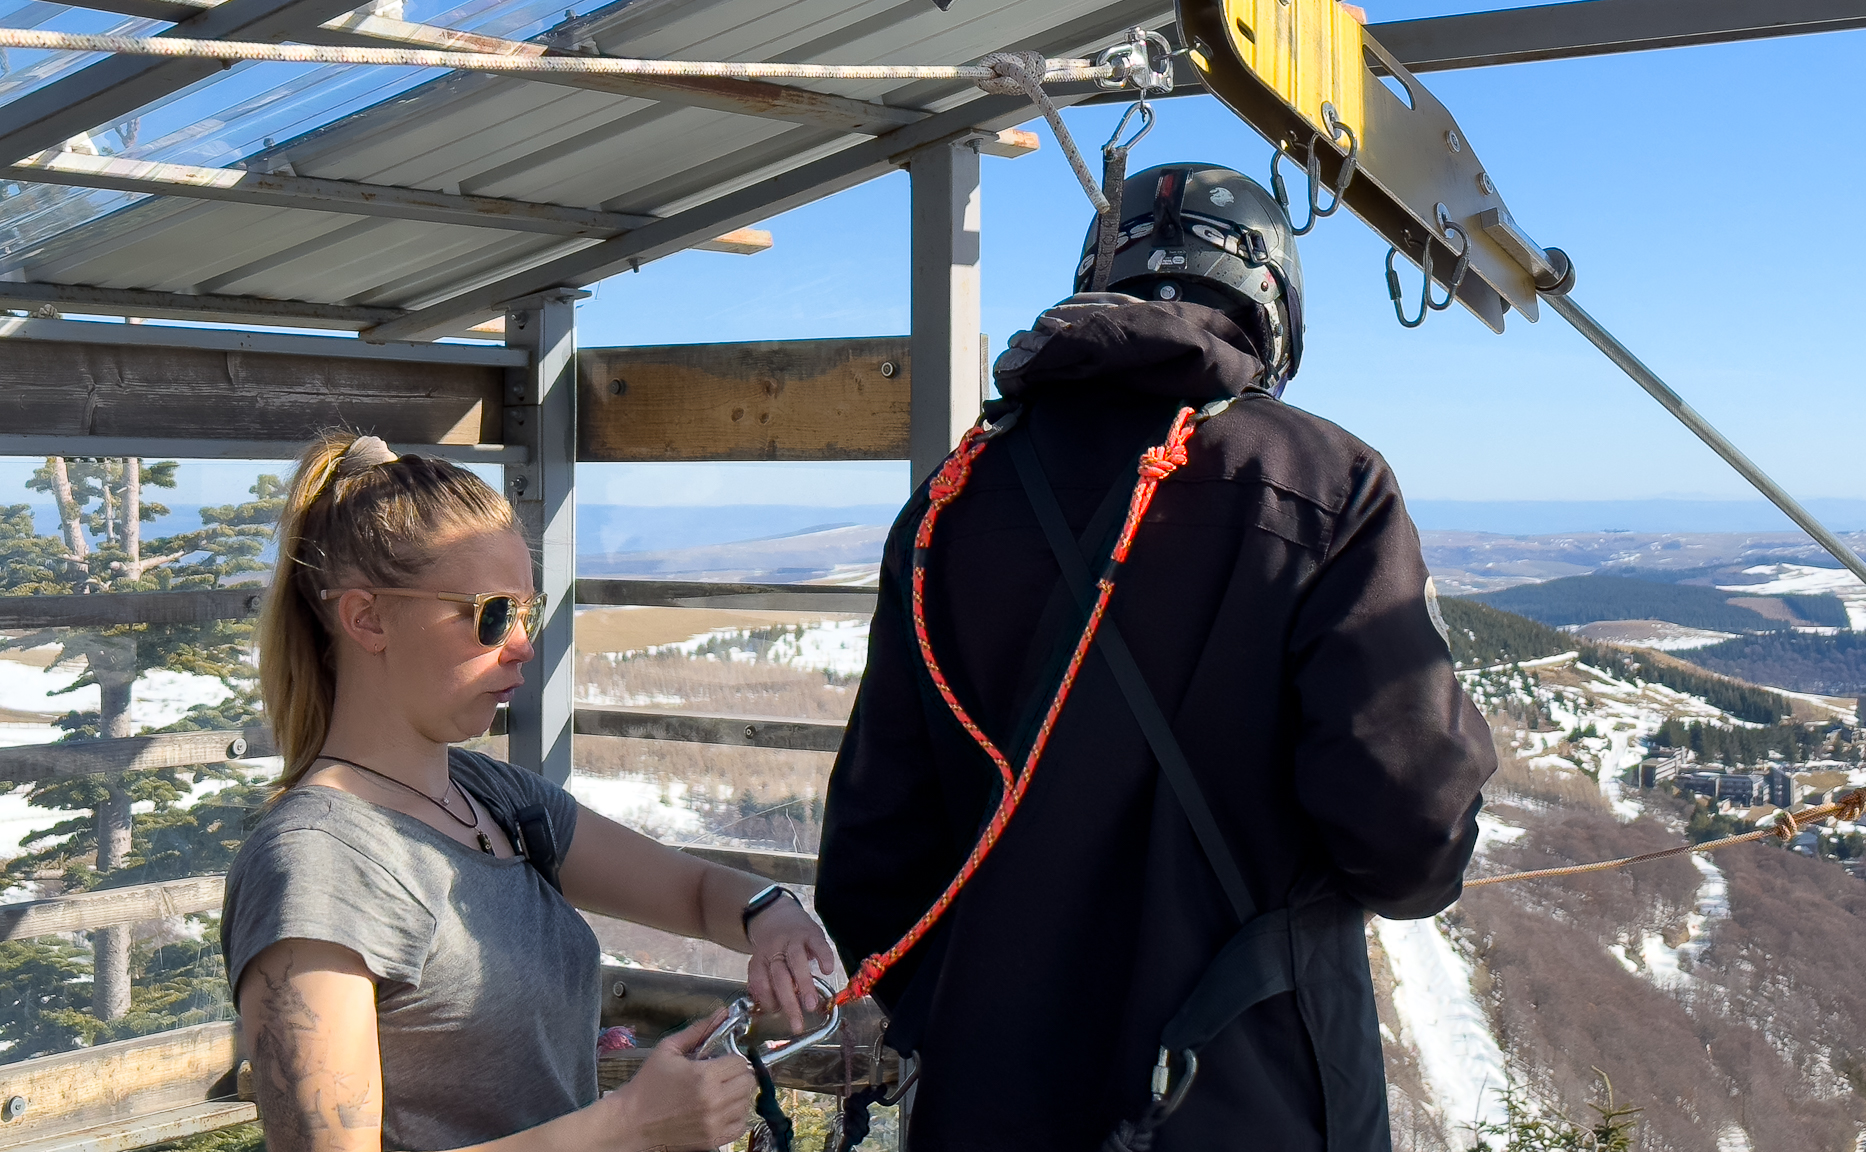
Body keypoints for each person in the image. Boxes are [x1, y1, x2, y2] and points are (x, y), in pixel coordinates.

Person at [814, 163, 1498, 1150]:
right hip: (1238, 1093)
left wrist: (971, 1018)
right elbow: (1406, 840)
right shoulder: (1326, 485)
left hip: (984, 1100)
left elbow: (876, 859)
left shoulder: (950, 499)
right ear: (1271, 305)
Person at [223, 433, 837, 1152]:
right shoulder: (318, 867)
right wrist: (630, 1127)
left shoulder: (492, 798)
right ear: (367, 618)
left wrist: (772, 916)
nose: (521, 646)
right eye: (489, 615)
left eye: (526, 613)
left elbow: (696, 890)